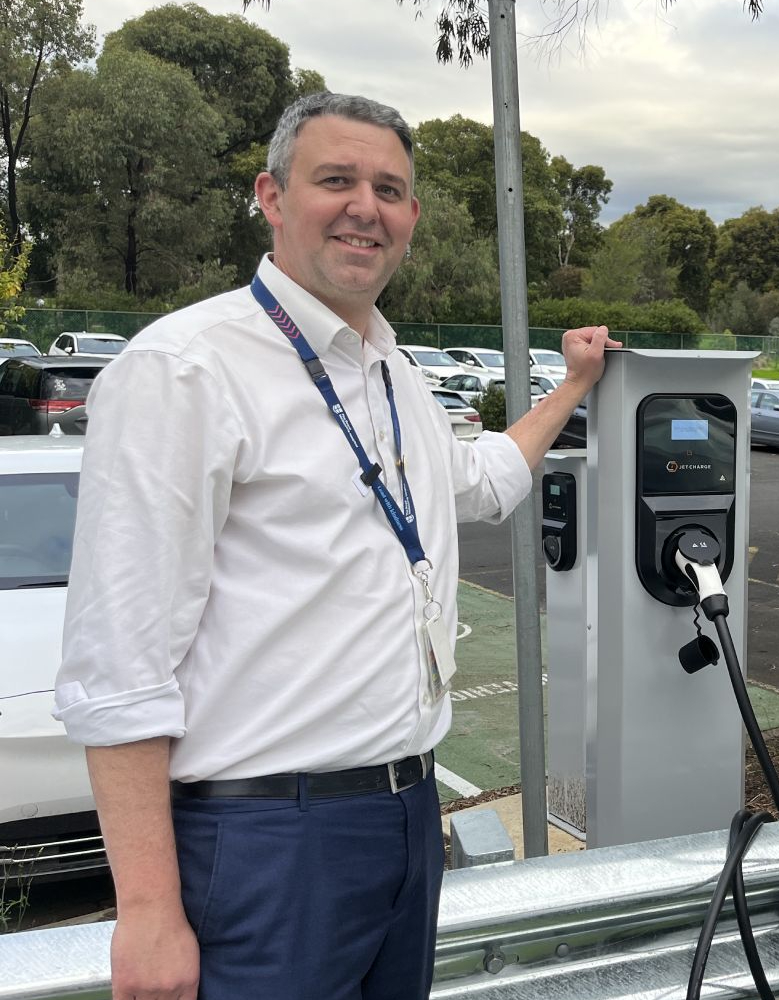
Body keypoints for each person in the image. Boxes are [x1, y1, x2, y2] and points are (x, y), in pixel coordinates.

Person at [53, 92, 620, 1000]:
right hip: (268, 844)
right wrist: (149, 911)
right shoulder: (185, 371)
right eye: (336, 180)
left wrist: (573, 386)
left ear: (412, 218)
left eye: (389, 189)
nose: (366, 207)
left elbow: (477, 482)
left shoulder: (391, 372)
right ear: (272, 197)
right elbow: (119, 672)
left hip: (404, 817)